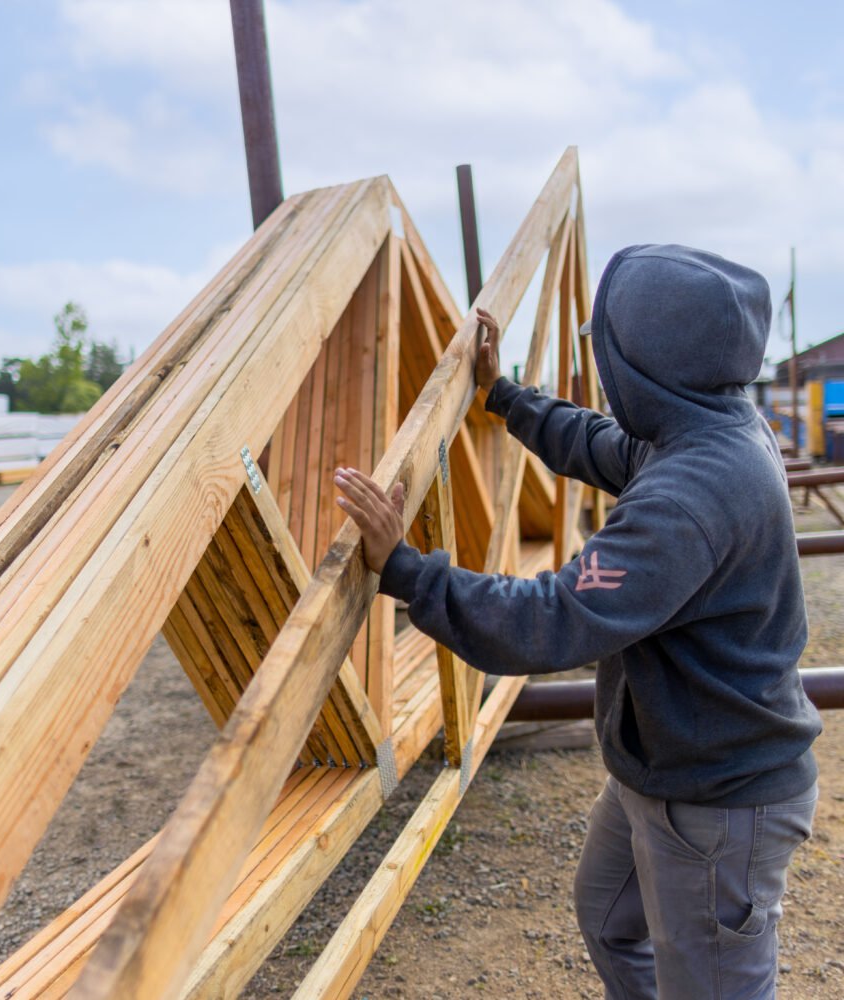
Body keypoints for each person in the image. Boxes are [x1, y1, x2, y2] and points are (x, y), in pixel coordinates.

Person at [334, 244, 821, 1000]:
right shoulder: (707, 428)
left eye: (610, 345)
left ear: (646, 363)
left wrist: (404, 569)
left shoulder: (688, 499)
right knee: (608, 921)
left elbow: (552, 620)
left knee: (716, 988)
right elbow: (605, 445)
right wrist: (506, 398)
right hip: (667, 765)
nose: (602, 360)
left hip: (719, 800)